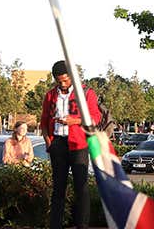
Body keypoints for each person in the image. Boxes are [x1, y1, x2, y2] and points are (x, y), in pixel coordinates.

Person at [40, 59, 101, 229]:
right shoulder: (51, 95)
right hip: (58, 144)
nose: (63, 84)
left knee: (81, 188)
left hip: (79, 145)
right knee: (58, 189)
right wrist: (48, 142)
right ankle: (55, 225)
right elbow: (44, 120)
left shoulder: (86, 93)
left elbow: (95, 118)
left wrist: (74, 121)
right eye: (59, 81)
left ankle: (82, 225)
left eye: (66, 80)